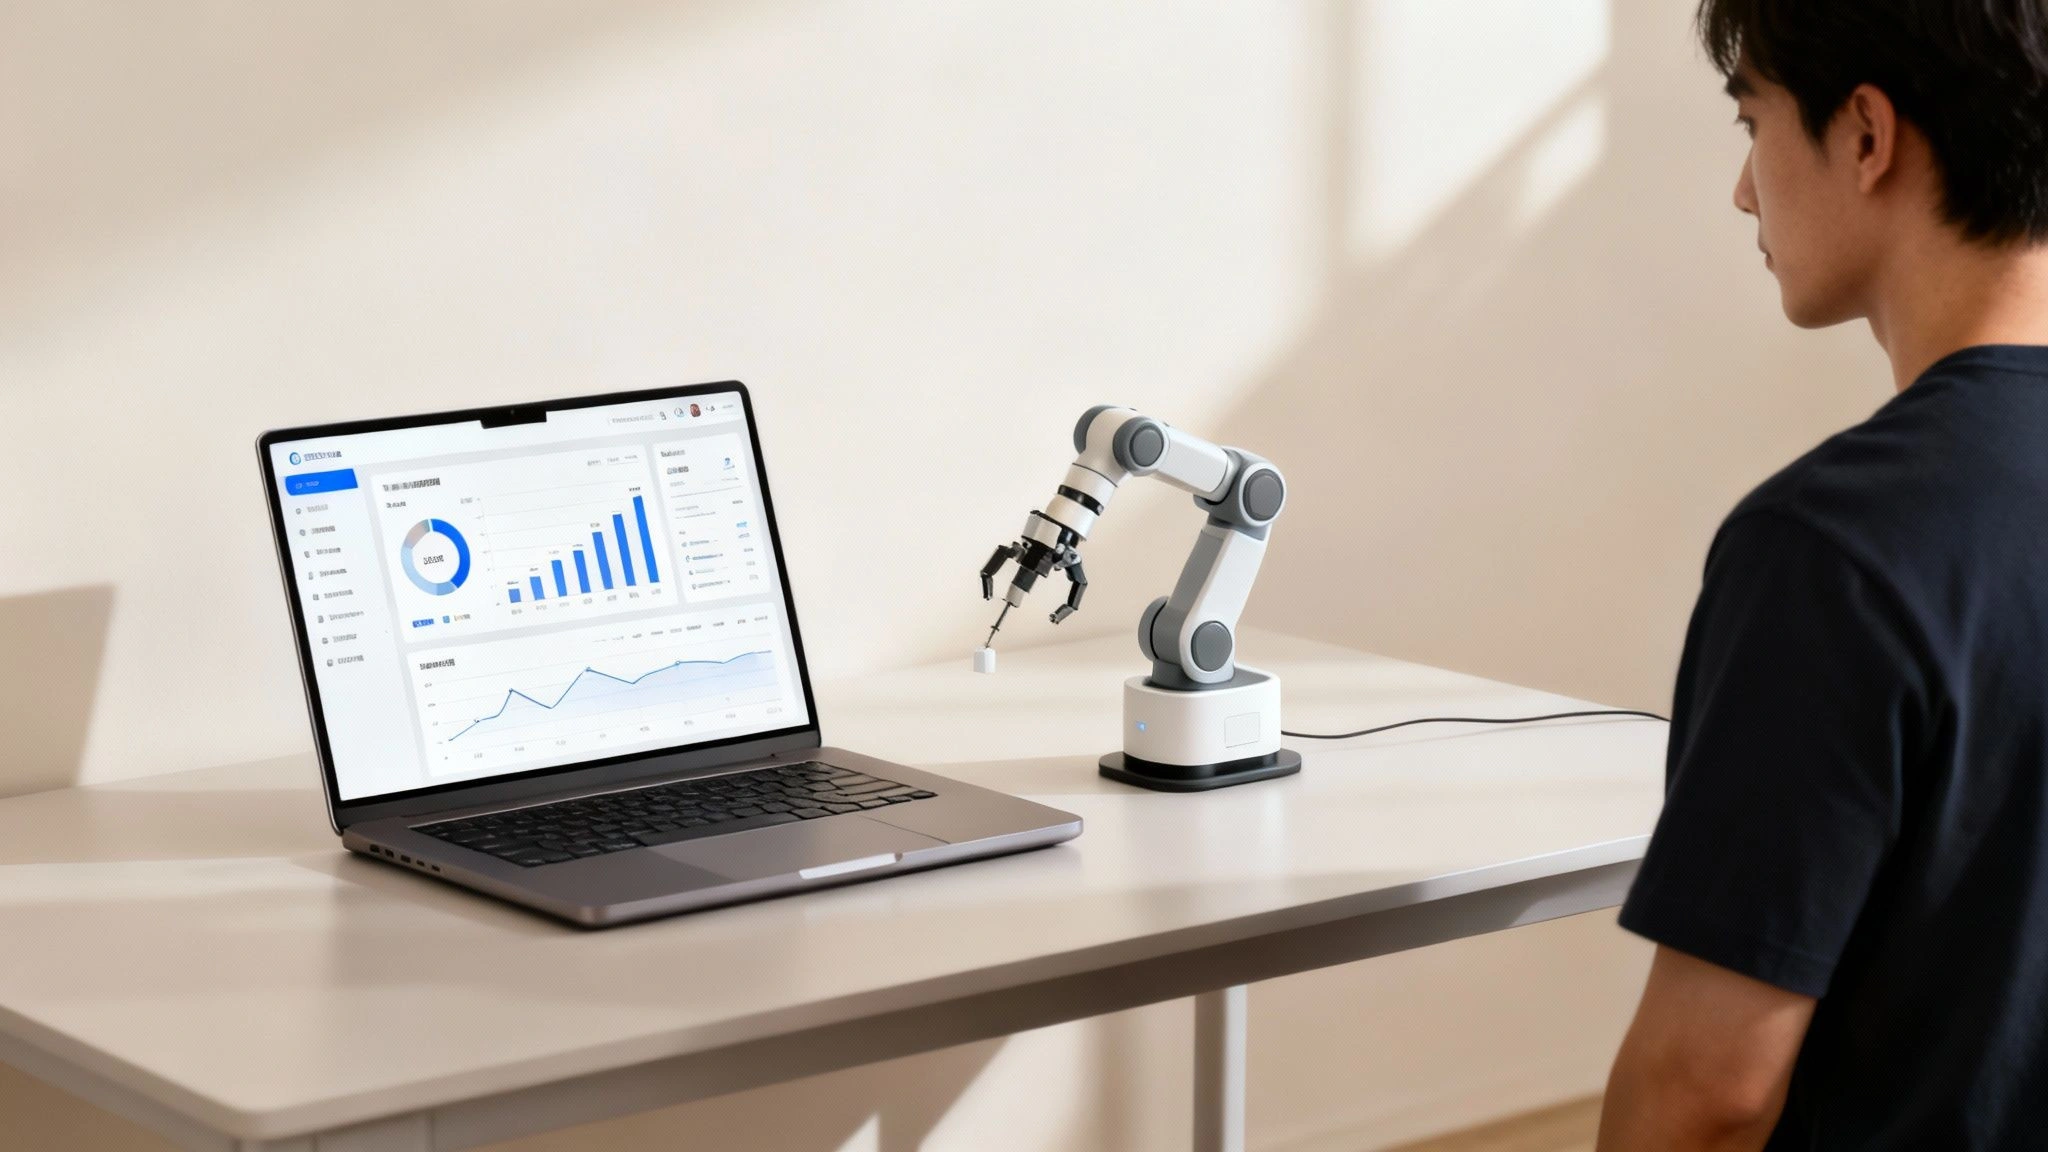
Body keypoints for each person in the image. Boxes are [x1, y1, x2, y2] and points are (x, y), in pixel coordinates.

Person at [1595, 2, 2048, 1149]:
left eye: (1752, 123)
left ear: (1863, 136)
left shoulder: (1832, 548)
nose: (1743, 191)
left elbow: (1705, 1095)